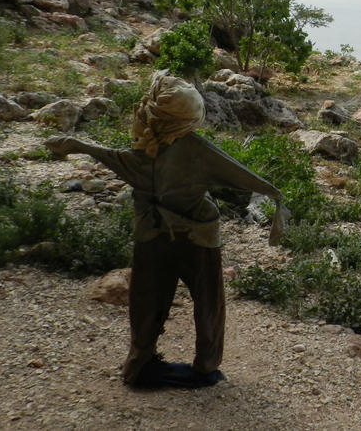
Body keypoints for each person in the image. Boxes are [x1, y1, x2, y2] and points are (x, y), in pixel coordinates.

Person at [45, 71, 284, 388]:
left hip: (151, 232)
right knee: (209, 300)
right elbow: (238, 175)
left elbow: (113, 158)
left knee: (146, 298)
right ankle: (206, 367)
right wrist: (275, 196)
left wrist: (78, 145)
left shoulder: (144, 148)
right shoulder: (196, 149)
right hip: (198, 235)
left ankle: (141, 362)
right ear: (187, 119)